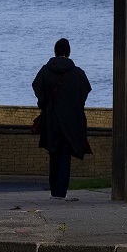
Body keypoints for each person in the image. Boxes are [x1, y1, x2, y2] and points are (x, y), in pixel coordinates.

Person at [32, 37, 91, 199]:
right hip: (70, 121)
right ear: (68, 52)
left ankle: (54, 191)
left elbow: (37, 87)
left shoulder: (45, 70)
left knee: (53, 154)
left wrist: (44, 104)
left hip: (50, 120)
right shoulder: (78, 73)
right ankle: (60, 193)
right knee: (65, 154)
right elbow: (85, 92)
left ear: (55, 51)